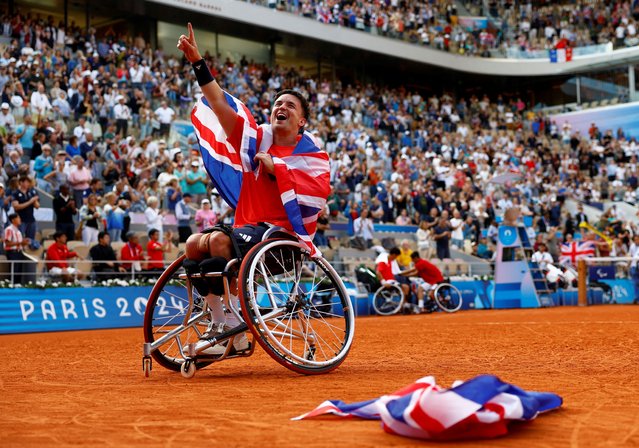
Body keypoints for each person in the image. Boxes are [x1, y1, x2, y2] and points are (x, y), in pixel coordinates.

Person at [177, 23, 329, 354]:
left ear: (302, 120)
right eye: (278, 103)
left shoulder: (313, 156)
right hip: (248, 236)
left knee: (217, 238)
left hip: (281, 242)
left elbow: (318, 194)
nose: (281, 107)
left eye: (290, 105)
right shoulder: (254, 142)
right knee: (192, 244)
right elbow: (219, 104)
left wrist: (277, 167)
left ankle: (231, 326)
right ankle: (225, 325)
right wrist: (197, 62)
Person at [3, 213, 30, 285]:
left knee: (18, 271)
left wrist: (24, 243)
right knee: (14, 271)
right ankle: (11, 286)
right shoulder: (9, 229)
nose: (20, 220)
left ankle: (17, 285)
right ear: (13, 220)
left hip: (19, 252)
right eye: (18, 218)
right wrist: (20, 243)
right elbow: (7, 243)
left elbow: (20, 243)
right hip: (12, 252)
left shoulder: (18, 231)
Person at [12, 175, 39, 244]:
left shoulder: (31, 192)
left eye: (29, 182)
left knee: (31, 239)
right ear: (21, 183)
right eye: (26, 182)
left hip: (31, 219)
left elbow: (37, 206)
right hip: (21, 220)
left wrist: (34, 201)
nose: (28, 184)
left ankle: (30, 253)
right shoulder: (16, 193)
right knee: (19, 238)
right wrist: (30, 201)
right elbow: (16, 206)